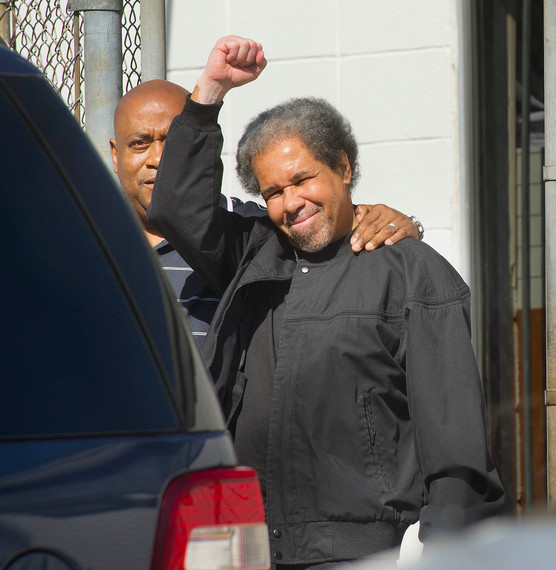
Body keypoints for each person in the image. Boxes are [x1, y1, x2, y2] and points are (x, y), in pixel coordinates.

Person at [148, 36, 504, 568]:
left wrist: (448, 545)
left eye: (302, 179)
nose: (290, 203)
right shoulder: (255, 255)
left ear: (342, 166)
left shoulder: (411, 273)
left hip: (363, 552)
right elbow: (178, 209)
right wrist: (210, 92)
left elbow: (456, 448)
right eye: (271, 193)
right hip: (253, 546)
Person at [110, 79, 423, 346]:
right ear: (115, 153)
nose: (158, 158)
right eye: (140, 144)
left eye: (174, 143)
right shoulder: (87, 240)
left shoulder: (250, 235)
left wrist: (394, 224)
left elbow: (324, 227)